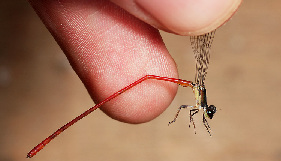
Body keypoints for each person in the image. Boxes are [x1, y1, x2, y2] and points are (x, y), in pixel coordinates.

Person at [28, 0, 241, 123]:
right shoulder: (200, 97)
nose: (209, 112)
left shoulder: (200, 102)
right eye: (209, 112)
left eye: (209, 112)